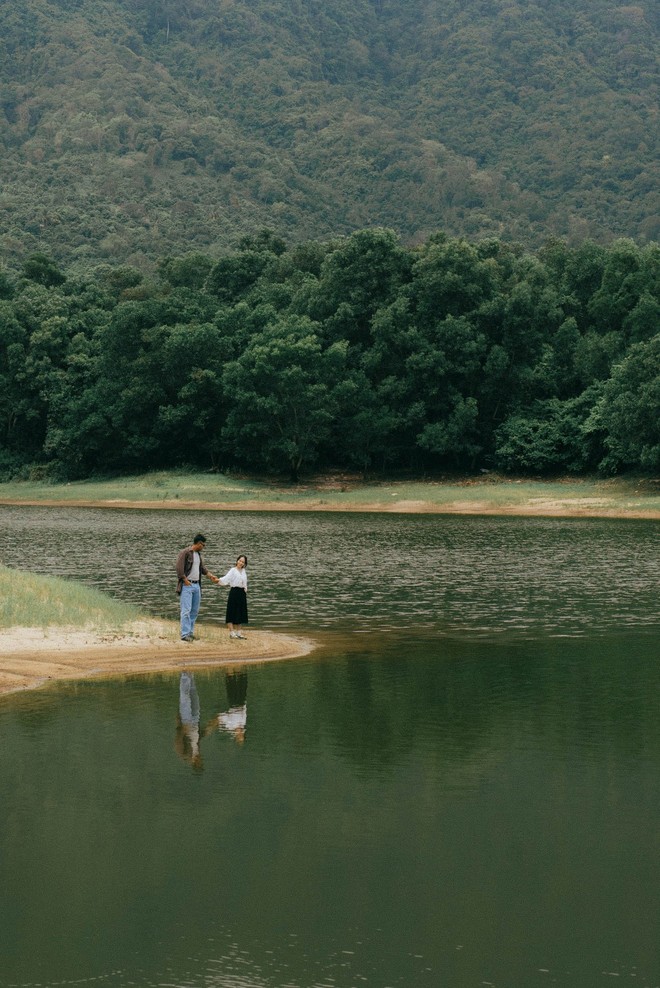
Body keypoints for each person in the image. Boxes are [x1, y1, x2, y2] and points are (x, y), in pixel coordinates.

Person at [176, 533, 220, 642]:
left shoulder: (198, 555)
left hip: (197, 585)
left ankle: (190, 633)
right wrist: (185, 580)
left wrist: (210, 576)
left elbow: (202, 569)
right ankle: (184, 634)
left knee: (194, 611)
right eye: (203, 545)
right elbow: (179, 568)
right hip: (187, 585)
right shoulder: (185, 552)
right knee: (186, 610)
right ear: (198, 543)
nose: (204, 547)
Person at [217, 554, 248, 639]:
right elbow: (226, 579)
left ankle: (238, 632)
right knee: (231, 612)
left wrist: (245, 588)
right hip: (234, 592)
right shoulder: (233, 570)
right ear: (237, 561)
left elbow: (244, 582)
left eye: (243, 562)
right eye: (240, 561)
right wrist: (218, 581)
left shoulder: (243, 571)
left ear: (245, 564)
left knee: (240, 612)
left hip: (242, 593)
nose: (241, 563)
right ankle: (231, 633)